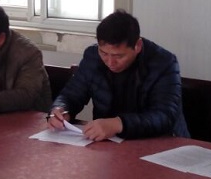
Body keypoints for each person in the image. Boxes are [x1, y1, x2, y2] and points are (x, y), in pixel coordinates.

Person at [47, 10, 189, 141]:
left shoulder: (164, 62)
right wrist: (60, 109)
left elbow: (164, 116)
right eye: (104, 53)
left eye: (118, 56)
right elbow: (71, 95)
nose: (110, 62)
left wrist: (119, 124)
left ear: (138, 46)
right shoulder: (92, 56)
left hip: (161, 143)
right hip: (109, 142)